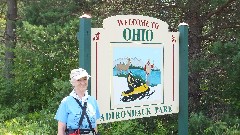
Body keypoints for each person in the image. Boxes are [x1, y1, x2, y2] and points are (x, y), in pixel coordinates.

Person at [55, 68, 101, 135]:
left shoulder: (93, 101)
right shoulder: (66, 102)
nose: (83, 82)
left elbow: (94, 127)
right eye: (79, 80)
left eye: (85, 79)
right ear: (73, 82)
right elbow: (61, 129)